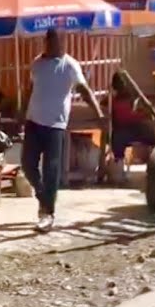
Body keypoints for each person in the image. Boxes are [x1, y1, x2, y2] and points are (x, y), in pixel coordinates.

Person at [19, 29, 102, 231]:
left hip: (55, 125)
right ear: (46, 42)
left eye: (60, 42)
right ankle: (43, 198)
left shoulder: (70, 65)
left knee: (51, 170)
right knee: (27, 164)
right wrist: (21, 112)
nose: (57, 45)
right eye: (52, 41)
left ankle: (48, 213)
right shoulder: (37, 63)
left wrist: (98, 112)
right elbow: (30, 89)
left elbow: (84, 90)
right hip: (33, 121)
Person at [109, 73, 155, 182]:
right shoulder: (112, 101)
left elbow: (146, 114)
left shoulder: (135, 99)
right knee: (117, 138)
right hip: (125, 131)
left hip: (137, 129)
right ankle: (119, 169)